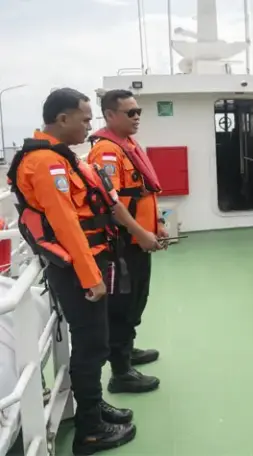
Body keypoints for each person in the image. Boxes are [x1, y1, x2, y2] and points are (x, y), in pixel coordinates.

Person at [6, 88, 139, 454]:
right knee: (91, 344)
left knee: (95, 339)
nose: (88, 125)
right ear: (62, 120)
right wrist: (91, 277)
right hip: (78, 268)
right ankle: (90, 430)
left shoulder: (57, 157)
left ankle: (93, 407)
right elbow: (65, 224)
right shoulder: (47, 163)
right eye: (84, 119)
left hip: (87, 260)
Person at [88, 89, 164, 394]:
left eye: (138, 112)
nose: (136, 118)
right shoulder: (106, 152)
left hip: (137, 241)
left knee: (136, 301)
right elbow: (112, 204)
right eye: (129, 113)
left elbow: (142, 194)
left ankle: (127, 351)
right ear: (109, 115)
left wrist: (155, 225)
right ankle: (120, 374)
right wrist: (140, 233)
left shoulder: (127, 145)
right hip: (122, 245)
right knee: (121, 307)